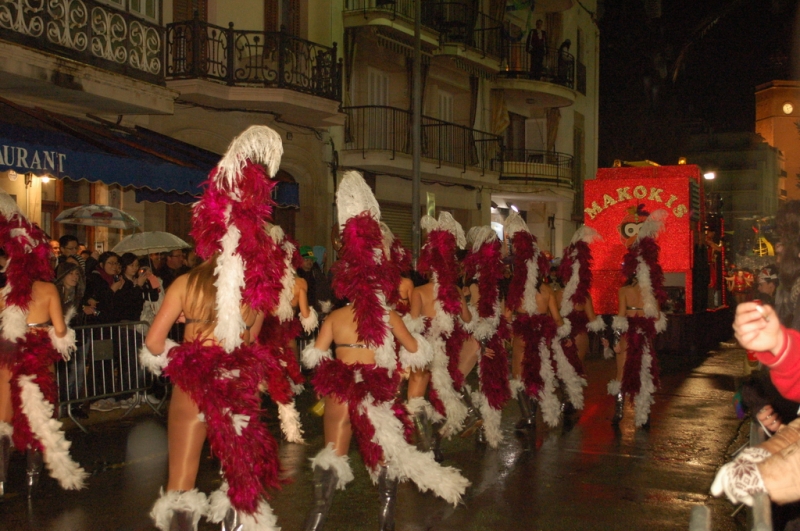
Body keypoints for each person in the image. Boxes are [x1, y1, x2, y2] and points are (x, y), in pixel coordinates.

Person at [140, 125, 293, 530]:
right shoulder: (255, 291)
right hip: (236, 384)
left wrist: (186, 356)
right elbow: (251, 344)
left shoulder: (184, 283)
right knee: (240, 483)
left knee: (180, 481)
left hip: (192, 386)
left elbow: (154, 342)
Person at [301, 171, 468, 531]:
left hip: (341, 391)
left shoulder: (336, 318)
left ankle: (315, 521)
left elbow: (315, 357)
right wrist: (406, 358)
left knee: (332, 459)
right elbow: (417, 350)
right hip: (377, 393)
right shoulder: (388, 315)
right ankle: (386, 521)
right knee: (386, 455)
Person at [0, 191, 86, 499]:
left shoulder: (5, 290)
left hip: (8, 351)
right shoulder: (49, 289)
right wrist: (54, 330)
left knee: (3, 416)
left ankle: (0, 480)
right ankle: (32, 478)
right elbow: (60, 331)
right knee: (40, 415)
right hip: (38, 353)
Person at [405, 212, 472, 460]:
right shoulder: (455, 290)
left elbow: (413, 325)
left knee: (417, 396)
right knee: (442, 393)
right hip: (448, 348)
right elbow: (467, 319)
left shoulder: (419, 292)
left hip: (425, 349)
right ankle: (436, 443)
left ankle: (426, 447)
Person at [504, 212, 579, 430]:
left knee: (519, 374)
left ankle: (527, 415)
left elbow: (506, 316)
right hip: (542, 335)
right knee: (538, 372)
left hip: (522, 334)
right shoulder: (547, 291)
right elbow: (557, 318)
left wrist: (505, 334)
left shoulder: (516, 289)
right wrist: (565, 337)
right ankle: (533, 413)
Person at [605, 210, 668, 428]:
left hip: (628, 335)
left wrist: (615, 341)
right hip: (644, 336)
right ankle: (644, 415)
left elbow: (620, 318)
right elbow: (657, 318)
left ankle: (619, 412)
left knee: (621, 373)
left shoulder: (625, 291)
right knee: (645, 373)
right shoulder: (652, 292)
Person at [459, 225, 512, 447]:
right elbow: (504, 314)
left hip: (479, 338)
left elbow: (481, 315)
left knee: (455, 378)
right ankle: (485, 430)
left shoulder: (476, 281)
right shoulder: (498, 280)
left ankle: (473, 415)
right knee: (488, 388)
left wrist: (482, 342)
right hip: (493, 337)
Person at [54, 262, 92, 419]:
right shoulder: (55, 293)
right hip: (61, 338)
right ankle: (63, 405)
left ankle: (74, 405)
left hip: (78, 336)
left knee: (78, 372)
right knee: (63, 373)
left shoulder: (79, 294)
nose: (75, 277)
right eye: (71, 273)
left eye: (77, 274)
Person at [84, 252, 124, 324]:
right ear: (102, 265)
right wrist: (112, 290)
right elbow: (98, 302)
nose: (114, 266)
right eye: (110, 263)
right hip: (97, 323)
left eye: (115, 263)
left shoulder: (116, 279)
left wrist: (120, 290)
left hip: (112, 322)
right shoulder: (94, 278)